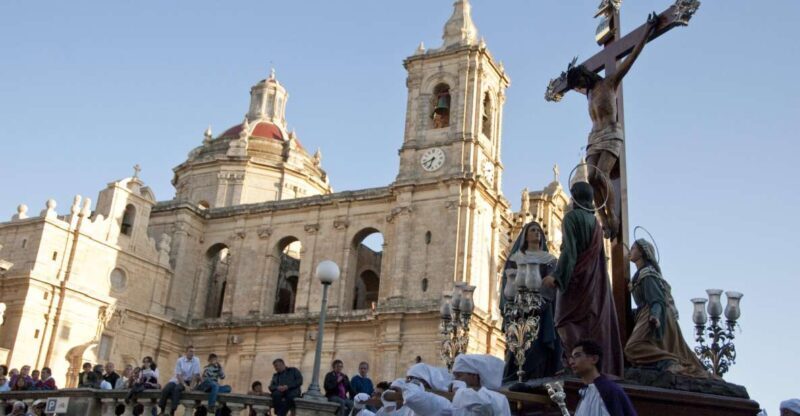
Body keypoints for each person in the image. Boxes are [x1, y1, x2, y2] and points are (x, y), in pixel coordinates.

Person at [565, 14, 658, 239]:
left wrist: (646, 31)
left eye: (578, 83)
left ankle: (613, 215)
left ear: (585, 78)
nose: (578, 88)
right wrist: (562, 83)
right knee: (590, 179)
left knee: (601, 175)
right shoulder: (587, 94)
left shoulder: (609, 83)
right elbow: (567, 86)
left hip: (610, 134)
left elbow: (632, 57)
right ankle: (603, 219)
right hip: (593, 138)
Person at [543, 182, 624, 377]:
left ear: (575, 198)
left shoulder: (571, 217)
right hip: (593, 281)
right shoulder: (595, 222)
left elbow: (570, 251)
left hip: (575, 281)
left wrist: (556, 276)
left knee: (563, 320)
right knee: (587, 323)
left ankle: (571, 362)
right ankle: (585, 364)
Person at [625, 239, 712, 378]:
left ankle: (669, 362)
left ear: (642, 252)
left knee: (633, 347)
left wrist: (654, 316)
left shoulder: (647, 274)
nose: (630, 252)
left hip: (653, 313)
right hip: (647, 313)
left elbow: (657, 299)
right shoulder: (641, 274)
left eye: (633, 248)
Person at [501, 221, 562, 382]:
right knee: (517, 346)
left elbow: (552, 285)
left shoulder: (549, 259)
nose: (537, 233)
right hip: (518, 311)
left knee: (538, 348)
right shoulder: (515, 258)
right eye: (532, 230)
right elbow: (507, 283)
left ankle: (536, 376)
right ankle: (517, 377)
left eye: (539, 231)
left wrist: (538, 304)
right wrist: (510, 304)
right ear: (525, 235)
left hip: (541, 311)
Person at [570, 340, 637, 416]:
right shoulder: (584, 392)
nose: (571, 362)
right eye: (572, 358)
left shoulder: (609, 390)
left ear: (594, 359)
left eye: (577, 356)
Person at [158, 345, 201, 415]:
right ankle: (162, 409)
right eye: (190, 351)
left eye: (193, 352)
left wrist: (190, 386)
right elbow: (178, 375)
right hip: (177, 379)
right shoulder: (180, 360)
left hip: (188, 381)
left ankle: (172, 410)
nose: (192, 353)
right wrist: (184, 385)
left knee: (177, 389)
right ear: (186, 352)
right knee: (166, 389)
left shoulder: (196, 360)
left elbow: (195, 374)